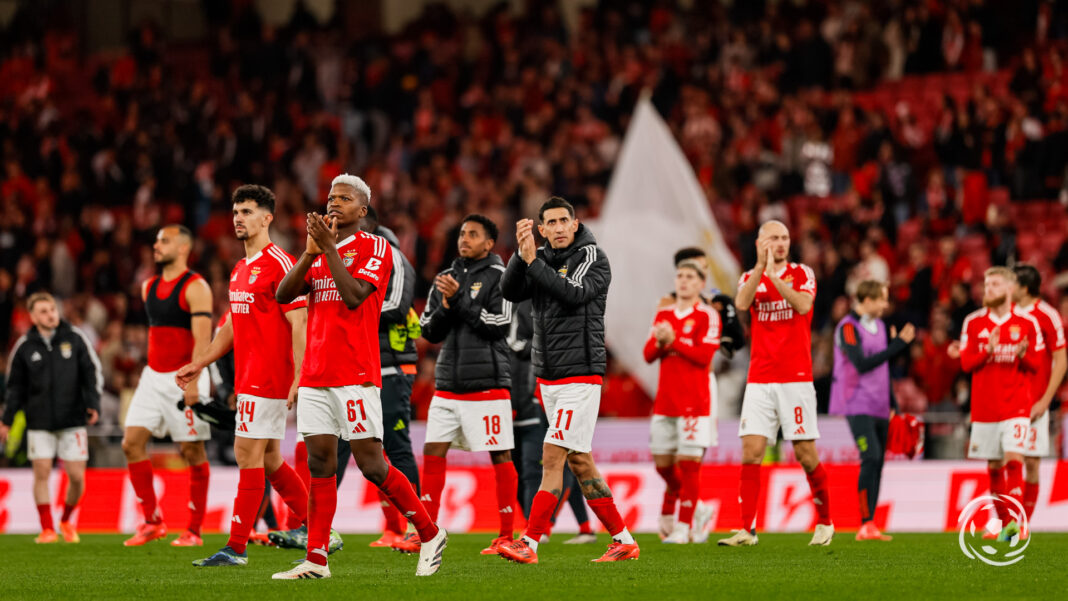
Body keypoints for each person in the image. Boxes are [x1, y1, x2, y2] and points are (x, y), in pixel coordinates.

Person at [272, 174, 446, 580]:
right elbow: (283, 295)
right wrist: (308, 254)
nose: (334, 203)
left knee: (372, 463)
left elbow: (352, 297)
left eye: (344, 198)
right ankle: (316, 560)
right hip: (316, 371)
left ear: (362, 210)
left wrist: (327, 250)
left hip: (355, 371)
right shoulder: (320, 248)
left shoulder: (377, 248)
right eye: (331, 197)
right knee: (319, 464)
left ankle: (430, 532)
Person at [174, 184, 313, 567]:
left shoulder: (282, 263)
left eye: (248, 212)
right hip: (248, 375)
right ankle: (316, 528)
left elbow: (298, 321)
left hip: (270, 375)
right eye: (236, 212)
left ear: (268, 218)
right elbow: (232, 327)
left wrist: (298, 374)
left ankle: (236, 547)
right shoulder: (240, 270)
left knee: (246, 453)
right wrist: (199, 362)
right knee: (268, 458)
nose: (239, 218)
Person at [499, 196, 639, 564]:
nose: (559, 228)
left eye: (565, 221)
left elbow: (573, 294)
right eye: (551, 223)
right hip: (549, 378)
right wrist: (520, 253)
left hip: (581, 374)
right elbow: (510, 292)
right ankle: (623, 539)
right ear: (541, 229)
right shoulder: (539, 258)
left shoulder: (592, 256)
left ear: (575, 224)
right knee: (580, 462)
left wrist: (532, 262)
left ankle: (529, 543)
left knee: (551, 456)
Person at [719, 220, 834, 547]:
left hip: (795, 378)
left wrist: (774, 278)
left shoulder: (802, 273)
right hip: (759, 379)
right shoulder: (748, 277)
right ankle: (747, 529)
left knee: (805, 453)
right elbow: (741, 303)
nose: (780, 243)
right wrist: (760, 270)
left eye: (784, 237)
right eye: (773, 238)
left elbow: (803, 305)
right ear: (760, 242)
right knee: (751, 451)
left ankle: (825, 522)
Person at [412, 214, 519, 556]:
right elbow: (428, 331)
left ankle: (505, 533)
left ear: (489, 244)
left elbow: (499, 324)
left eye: (473, 234)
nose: (465, 238)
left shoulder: (501, 277)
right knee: (433, 451)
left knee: (500, 454)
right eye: (462, 233)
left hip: (487, 382)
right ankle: (427, 532)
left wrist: (460, 301)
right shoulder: (446, 278)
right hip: (447, 383)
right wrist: (447, 305)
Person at [121, 224, 213, 547]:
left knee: (192, 450)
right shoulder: (148, 287)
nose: (157, 245)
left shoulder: (196, 287)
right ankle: (152, 521)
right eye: (157, 240)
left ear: (184, 248)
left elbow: (203, 339)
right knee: (131, 443)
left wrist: (195, 378)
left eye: (165, 240)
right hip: (153, 376)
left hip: (184, 375)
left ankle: (194, 530)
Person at [335, 205, 421, 549]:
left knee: (394, 448)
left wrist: (348, 313)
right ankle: (389, 527)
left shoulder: (394, 257)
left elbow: (398, 307)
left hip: (391, 367)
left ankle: (416, 527)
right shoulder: (350, 259)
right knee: (352, 446)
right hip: (355, 365)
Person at [1, 292, 102, 544]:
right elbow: (15, 388)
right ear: (33, 317)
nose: (51, 315)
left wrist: (93, 403)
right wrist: (7, 419)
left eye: (53, 310)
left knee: (77, 476)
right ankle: (47, 528)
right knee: (42, 472)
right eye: (44, 311)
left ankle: (66, 519)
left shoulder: (76, 339)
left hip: (72, 419)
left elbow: (92, 372)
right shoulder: (24, 347)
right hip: (39, 421)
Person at [956, 267, 1044, 541]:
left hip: (1016, 406)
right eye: (986, 284)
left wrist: (1023, 355)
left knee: (1014, 460)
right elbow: (966, 363)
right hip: (985, 408)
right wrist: (987, 350)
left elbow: (1037, 364)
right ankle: (1005, 523)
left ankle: (1016, 522)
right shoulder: (972, 322)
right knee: (993, 467)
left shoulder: (1028, 323)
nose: (987, 289)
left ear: (1008, 288)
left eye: (994, 284)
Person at [829, 280, 915, 542]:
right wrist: (898, 344)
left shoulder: (879, 326)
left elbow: (883, 368)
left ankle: (870, 524)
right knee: (871, 455)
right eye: (882, 299)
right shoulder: (847, 328)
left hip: (879, 403)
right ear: (866, 299)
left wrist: (893, 404)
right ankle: (865, 522)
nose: (885, 305)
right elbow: (862, 364)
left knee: (878, 462)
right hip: (856, 402)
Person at [644, 260, 721, 544]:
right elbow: (648, 355)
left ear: (701, 284)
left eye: (690, 277)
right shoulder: (663, 315)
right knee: (663, 466)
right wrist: (663, 341)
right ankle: (699, 507)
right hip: (665, 401)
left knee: (689, 466)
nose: (684, 281)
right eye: (680, 276)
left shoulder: (708, 315)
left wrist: (674, 341)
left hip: (694, 403)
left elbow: (704, 357)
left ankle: (683, 527)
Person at [1012, 264, 1064, 534]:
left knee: (1030, 462)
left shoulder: (1048, 315)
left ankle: (1022, 523)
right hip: (1007, 400)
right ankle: (1004, 519)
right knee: (1005, 462)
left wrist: (1045, 400)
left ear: (1024, 287)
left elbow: (1061, 359)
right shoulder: (1005, 314)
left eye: (1013, 282)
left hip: (1034, 401)